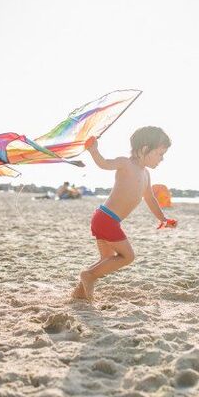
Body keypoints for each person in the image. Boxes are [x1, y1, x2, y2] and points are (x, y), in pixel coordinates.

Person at [72, 126, 177, 301]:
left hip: (105, 219)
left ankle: (79, 294)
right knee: (128, 256)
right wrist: (94, 150)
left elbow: (150, 198)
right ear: (145, 149)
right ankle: (87, 276)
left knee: (107, 259)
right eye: (159, 154)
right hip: (106, 219)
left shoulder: (146, 174)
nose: (162, 159)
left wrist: (163, 219)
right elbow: (104, 163)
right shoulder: (125, 164)